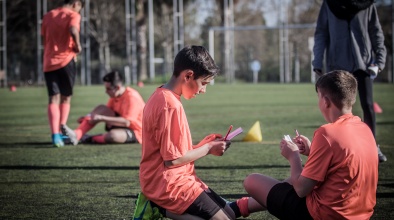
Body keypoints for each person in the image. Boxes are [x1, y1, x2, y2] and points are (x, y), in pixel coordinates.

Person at [133, 45, 252, 220]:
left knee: (229, 215)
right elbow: (172, 160)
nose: (203, 90)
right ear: (188, 75)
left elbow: (173, 151)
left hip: (174, 178)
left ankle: (161, 208)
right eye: (203, 83)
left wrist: (203, 145)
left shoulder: (163, 95)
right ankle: (158, 207)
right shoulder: (169, 105)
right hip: (168, 183)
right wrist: (209, 148)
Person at [240, 70, 379, 219]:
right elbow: (343, 164)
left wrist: (293, 156)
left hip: (325, 214)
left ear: (325, 101)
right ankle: (239, 207)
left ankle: (238, 206)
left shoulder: (327, 133)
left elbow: (301, 189)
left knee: (252, 181)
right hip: (361, 214)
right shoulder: (365, 128)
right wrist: (312, 150)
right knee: (290, 182)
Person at [312, 0, 387, 162]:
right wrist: (317, 62)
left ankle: (372, 146)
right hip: (337, 66)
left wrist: (379, 61)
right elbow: (321, 33)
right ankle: (338, 148)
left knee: (368, 105)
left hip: (363, 65)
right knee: (335, 109)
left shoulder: (367, 4)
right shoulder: (329, 4)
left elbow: (376, 32)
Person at [41, 0, 84, 147]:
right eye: (80, 8)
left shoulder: (47, 16)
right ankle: (62, 130)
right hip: (66, 61)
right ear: (76, 4)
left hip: (49, 61)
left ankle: (55, 135)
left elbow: (44, 37)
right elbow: (73, 30)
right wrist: (77, 46)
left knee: (53, 98)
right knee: (66, 98)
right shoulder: (73, 15)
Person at [61, 71, 145, 145]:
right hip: (121, 124)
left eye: (108, 89)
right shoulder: (115, 96)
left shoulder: (132, 97)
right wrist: (87, 117)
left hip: (136, 131)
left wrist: (101, 118)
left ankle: (89, 138)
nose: (106, 91)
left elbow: (127, 122)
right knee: (101, 108)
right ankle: (77, 134)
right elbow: (105, 111)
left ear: (117, 87)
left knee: (113, 136)